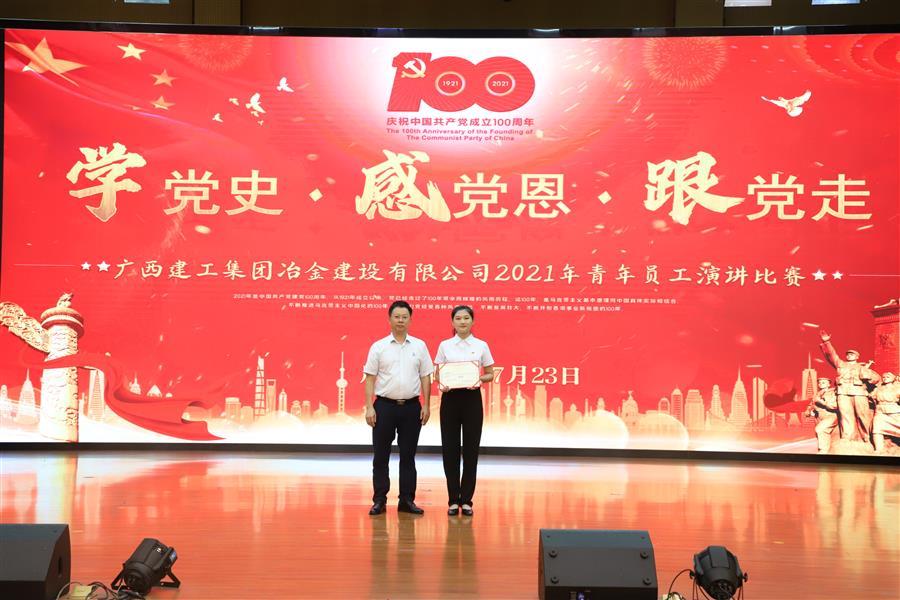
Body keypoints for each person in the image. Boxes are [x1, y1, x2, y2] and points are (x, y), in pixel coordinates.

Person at [363, 300, 433, 516]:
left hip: (411, 408)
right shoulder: (379, 346)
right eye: (397, 317)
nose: (400, 320)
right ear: (389, 319)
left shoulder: (419, 346)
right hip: (384, 407)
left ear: (410, 320)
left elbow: (426, 376)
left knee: (408, 456)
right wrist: (369, 407)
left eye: (404, 317)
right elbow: (370, 378)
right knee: (380, 456)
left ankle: (406, 500)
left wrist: (426, 405)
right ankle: (379, 500)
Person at [434, 306, 494, 517]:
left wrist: (478, 378)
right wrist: (442, 382)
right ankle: (453, 500)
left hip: (472, 399)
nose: (462, 321)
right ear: (452, 322)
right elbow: (438, 374)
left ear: (472, 321)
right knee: (449, 450)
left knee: (471, 450)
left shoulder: (481, 345)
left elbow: (490, 374)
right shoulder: (445, 345)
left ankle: (467, 500)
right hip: (450, 399)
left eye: (466, 318)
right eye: (458, 318)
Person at [818, 330, 880, 444]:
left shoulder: (862, 367)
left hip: (859, 392)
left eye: (852, 354)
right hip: (843, 392)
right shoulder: (841, 364)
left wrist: (868, 376)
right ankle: (848, 437)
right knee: (846, 415)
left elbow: (876, 379)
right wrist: (827, 342)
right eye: (848, 354)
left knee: (863, 414)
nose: (849, 355)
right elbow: (831, 355)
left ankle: (866, 437)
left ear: (857, 357)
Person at [805, 377, 839, 454]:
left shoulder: (833, 392)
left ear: (829, 384)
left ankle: (823, 451)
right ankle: (826, 451)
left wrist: (820, 401)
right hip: (819, 418)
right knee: (819, 434)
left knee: (820, 429)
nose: (820, 384)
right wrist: (808, 410)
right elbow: (811, 405)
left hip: (830, 415)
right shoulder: (817, 394)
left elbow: (834, 406)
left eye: (823, 382)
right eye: (819, 383)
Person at [871, 372, 900, 453]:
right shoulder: (878, 388)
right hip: (880, 411)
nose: (885, 378)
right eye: (883, 377)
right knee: (877, 429)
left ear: (893, 378)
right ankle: (879, 449)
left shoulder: (897, 388)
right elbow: (872, 396)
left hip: (894, 411)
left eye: (888, 376)